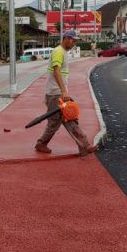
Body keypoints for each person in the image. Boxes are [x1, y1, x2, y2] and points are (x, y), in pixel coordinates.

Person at [35, 29, 97, 157]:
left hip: (58, 93)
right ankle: (41, 144)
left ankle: (84, 146)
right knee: (55, 122)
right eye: (73, 41)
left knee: (70, 118)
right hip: (55, 94)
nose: (74, 43)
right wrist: (63, 91)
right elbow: (56, 71)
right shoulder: (58, 52)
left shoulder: (62, 52)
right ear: (66, 39)